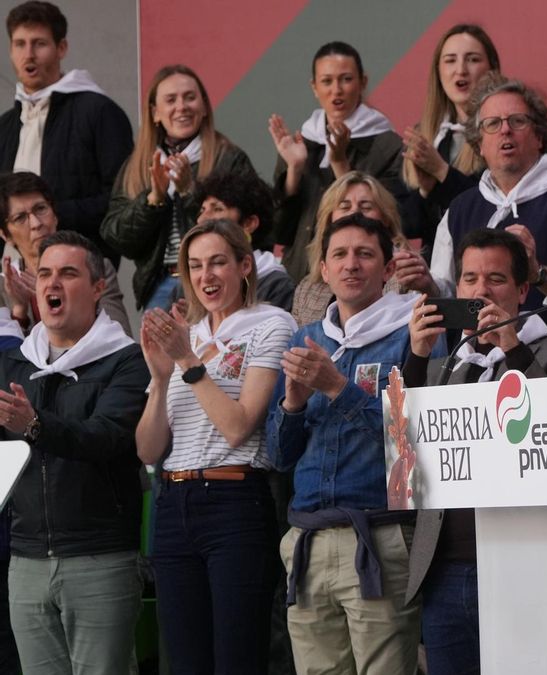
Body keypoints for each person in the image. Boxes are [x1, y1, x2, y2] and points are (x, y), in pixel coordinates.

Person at [404, 227, 547, 675]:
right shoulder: (444, 363)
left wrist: (512, 348)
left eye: (495, 279)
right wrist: (417, 356)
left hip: (522, 568)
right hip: (444, 572)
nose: (480, 291)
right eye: (469, 279)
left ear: (522, 290)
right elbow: (406, 456)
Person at [268, 212, 434, 675]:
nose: (351, 264)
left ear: (387, 270)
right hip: (307, 539)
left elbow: (412, 452)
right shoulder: (307, 337)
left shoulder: (415, 333)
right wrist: (293, 406)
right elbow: (279, 457)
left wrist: (338, 388)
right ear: (323, 270)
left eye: (365, 254)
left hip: (379, 539)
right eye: (339, 254)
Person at [134, 219, 295, 674]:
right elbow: (147, 450)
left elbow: (239, 427)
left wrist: (186, 361)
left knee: (236, 658)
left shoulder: (272, 323)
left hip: (234, 500)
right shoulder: (189, 333)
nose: (206, 276)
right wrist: (163, 377)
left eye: (218, 262)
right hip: (174, 501)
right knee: (184, 661)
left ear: (245, 265)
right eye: (196, 265)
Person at [0, 230, 148, 674]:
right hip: (25, 560)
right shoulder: (15, 363)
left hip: (99, 558)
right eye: (44, 274)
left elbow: (104, 437)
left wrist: (35, 425)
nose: (53, 284)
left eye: (68, 273)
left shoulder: (126, 360)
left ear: (99, 287)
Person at [428, 74, 547, 336]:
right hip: (473, 365)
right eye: (492, 124)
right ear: (479, 145)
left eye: (517, 121)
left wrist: (538, 274)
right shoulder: (460, 209)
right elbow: (448, 296)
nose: (505, 130)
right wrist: (426, 285)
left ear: (538, 136)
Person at [101, 64, 256, 311]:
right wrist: (153, 200)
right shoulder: (139, 164)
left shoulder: (228, 158)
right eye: (171, 100)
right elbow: (117, 237)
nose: (181, 107)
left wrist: (188, 192)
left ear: (204, 106)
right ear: (155, 112)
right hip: (159, 285)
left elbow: (247, 230)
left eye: (190, 98)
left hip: (214, 281)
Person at [0, 1, 132, 265]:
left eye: (39, 43)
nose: (29, 54)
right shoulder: (6, 126)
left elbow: (121, 199)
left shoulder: (99, 112)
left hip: (82, 271)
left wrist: (49, 212)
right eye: (20, 44)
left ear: (61, 48)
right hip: (12, 272)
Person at [269, 41, 409, 281]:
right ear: (314, 87)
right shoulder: (302, 142)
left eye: (346, 79)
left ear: (362, 82)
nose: (336, 90)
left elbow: (392, 221)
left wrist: (340, 162)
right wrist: (293, 169)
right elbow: (281, 233)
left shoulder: (387, 145)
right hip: (302, 277)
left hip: (359, 275)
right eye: (326, 81)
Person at [401, 24, 500, 253]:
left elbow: (494, 208)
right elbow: (409, 225)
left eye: (473, 60)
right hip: (436, 273)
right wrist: (426, 190)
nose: (461, 70)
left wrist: (442, 173)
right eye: (450, 60)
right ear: (438, 71)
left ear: (492, 68)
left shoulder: (502, 131)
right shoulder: (426, 135)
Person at [0, 171, 130, 334]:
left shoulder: (95, 268)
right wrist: (20, 310)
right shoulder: (3, 287)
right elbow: (6, 357)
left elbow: (119, 337)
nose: (36, 223)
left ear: (55, 215)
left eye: (41, 209)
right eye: (20, 218)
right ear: (5, 235)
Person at [290, 172, 418, 327]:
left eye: (366, 207)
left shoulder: (408, 275)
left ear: (386, 219)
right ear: (329, 219)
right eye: (345, 207)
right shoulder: (307, 289)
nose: (355, 213)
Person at [192, 171, 296, 312]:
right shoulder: (192, 280)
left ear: (249, 223)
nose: (201, 219)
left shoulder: (275, 285)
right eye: (202, 210)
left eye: (217, 209)